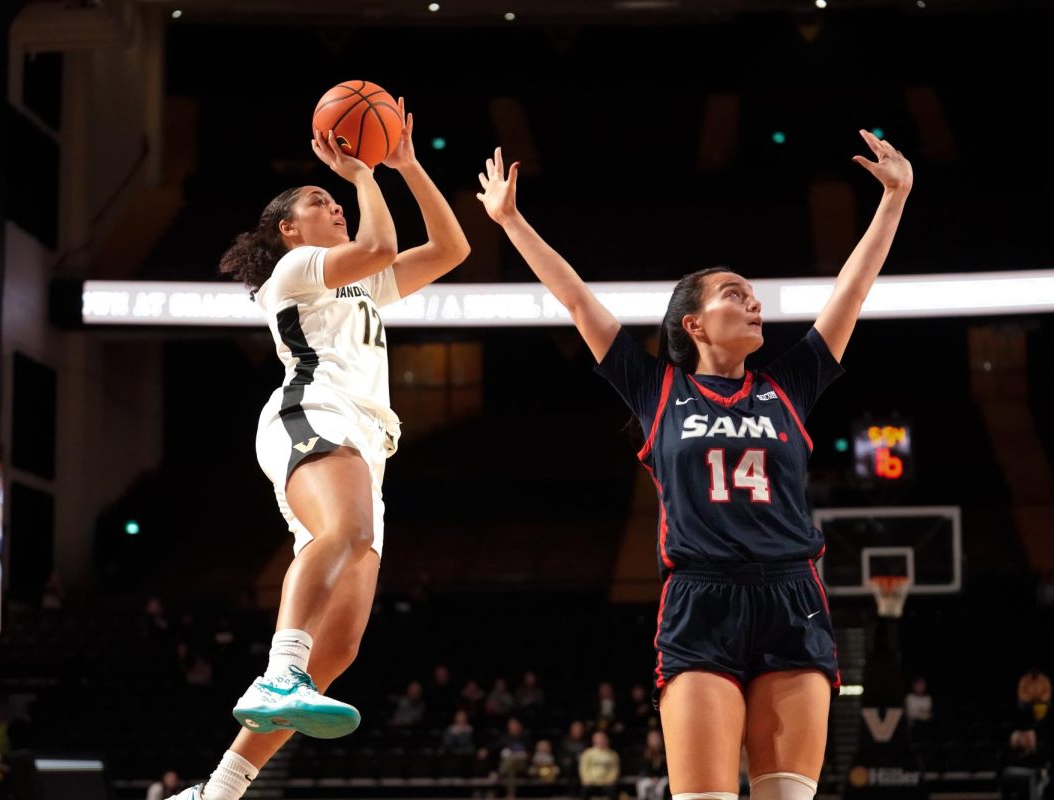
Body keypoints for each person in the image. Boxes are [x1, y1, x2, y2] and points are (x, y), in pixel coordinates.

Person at [477, 129, 912, 800]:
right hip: (700, 600)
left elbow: (851, 294)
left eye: (753, 294)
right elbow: (574, 299)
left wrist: (894, 200)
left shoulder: (787, 386)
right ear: (694, 324)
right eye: (735, 294)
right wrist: (510, 221)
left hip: (793, 594)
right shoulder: (655, 391)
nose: (754, 302)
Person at [169, 99, 468, 800]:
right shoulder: (296, 269)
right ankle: (278, 670)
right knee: (347, 534)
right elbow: (379, 247)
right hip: (312, 412)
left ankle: (219, 790)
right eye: (320, 200)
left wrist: (406, 164)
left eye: (336, 199)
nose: (334, 206)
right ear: (288, 228)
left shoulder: (357, 283)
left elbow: (452, 250)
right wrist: (364, 175)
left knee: (336, 652)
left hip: (366, 439)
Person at [578, 731, 620, 800]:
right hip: (591, 782)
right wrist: (586, 779)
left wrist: (611, 779)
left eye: (602, 738)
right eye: (598, 739)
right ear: (593, 740)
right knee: (584, 790)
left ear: (606, 740)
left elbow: (614, 769)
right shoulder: (587, 753)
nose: (600, 740)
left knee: (613, 790)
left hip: (606, 782)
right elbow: (583, 768)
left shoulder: (613, 754)